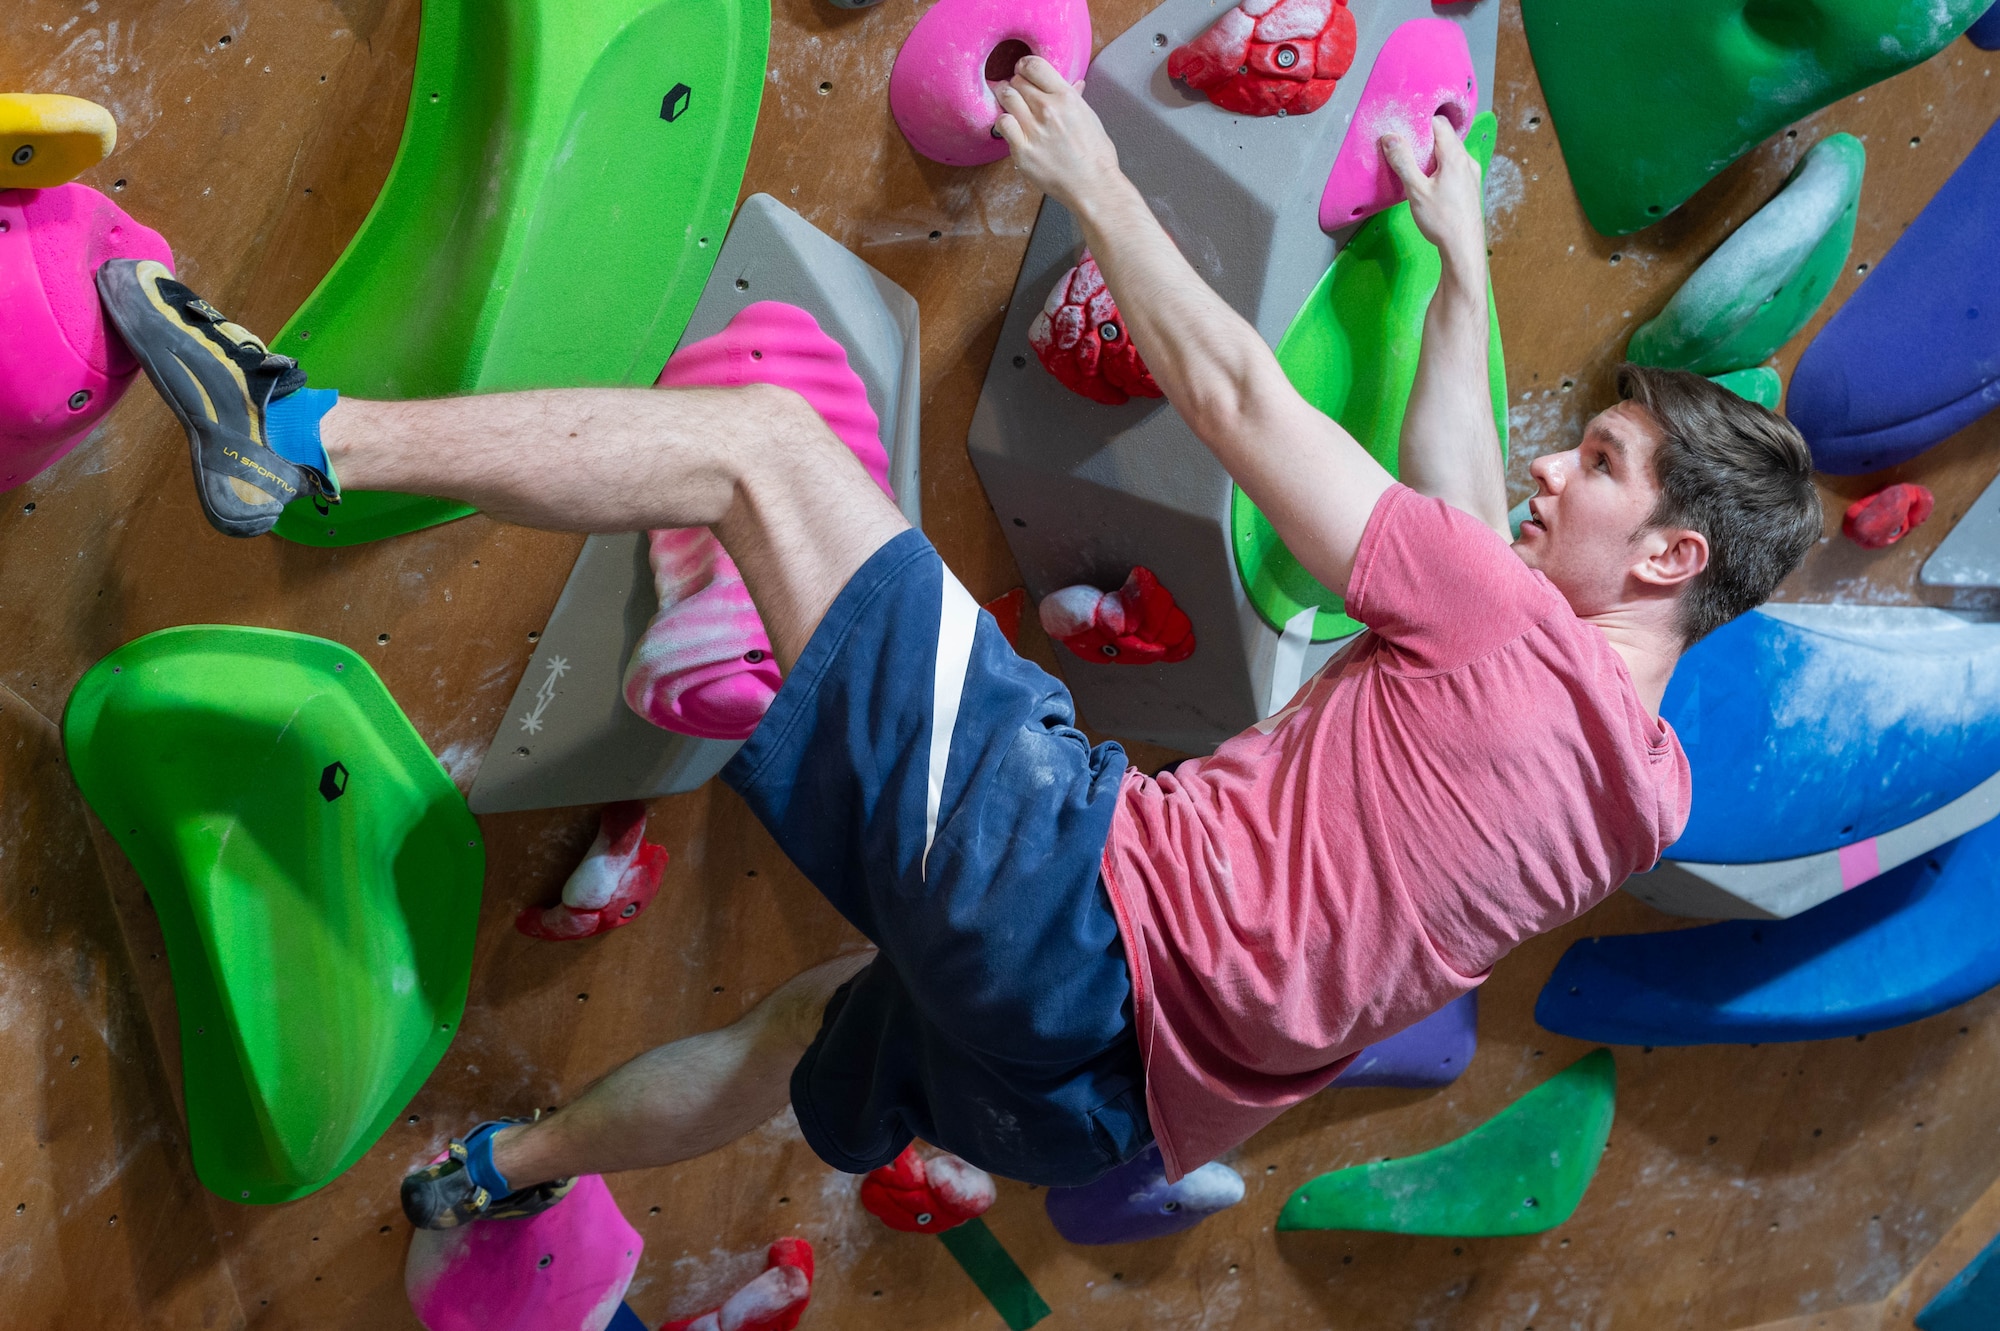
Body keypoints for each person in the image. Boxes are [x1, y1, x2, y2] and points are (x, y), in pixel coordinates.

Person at [95, 56, 1822, 1230]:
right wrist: (1455, 268)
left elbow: (1235, 397)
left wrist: (1101, 172)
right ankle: (503, 1168)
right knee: (801, 1032)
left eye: (1594, 468)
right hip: (1109, 1112)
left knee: (764, 454)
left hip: (1074, 916)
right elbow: (1458, 528)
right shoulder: (1642, 797)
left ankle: (299, 435)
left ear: (1667, 553)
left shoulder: (1503, 628)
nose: (1545, 469)